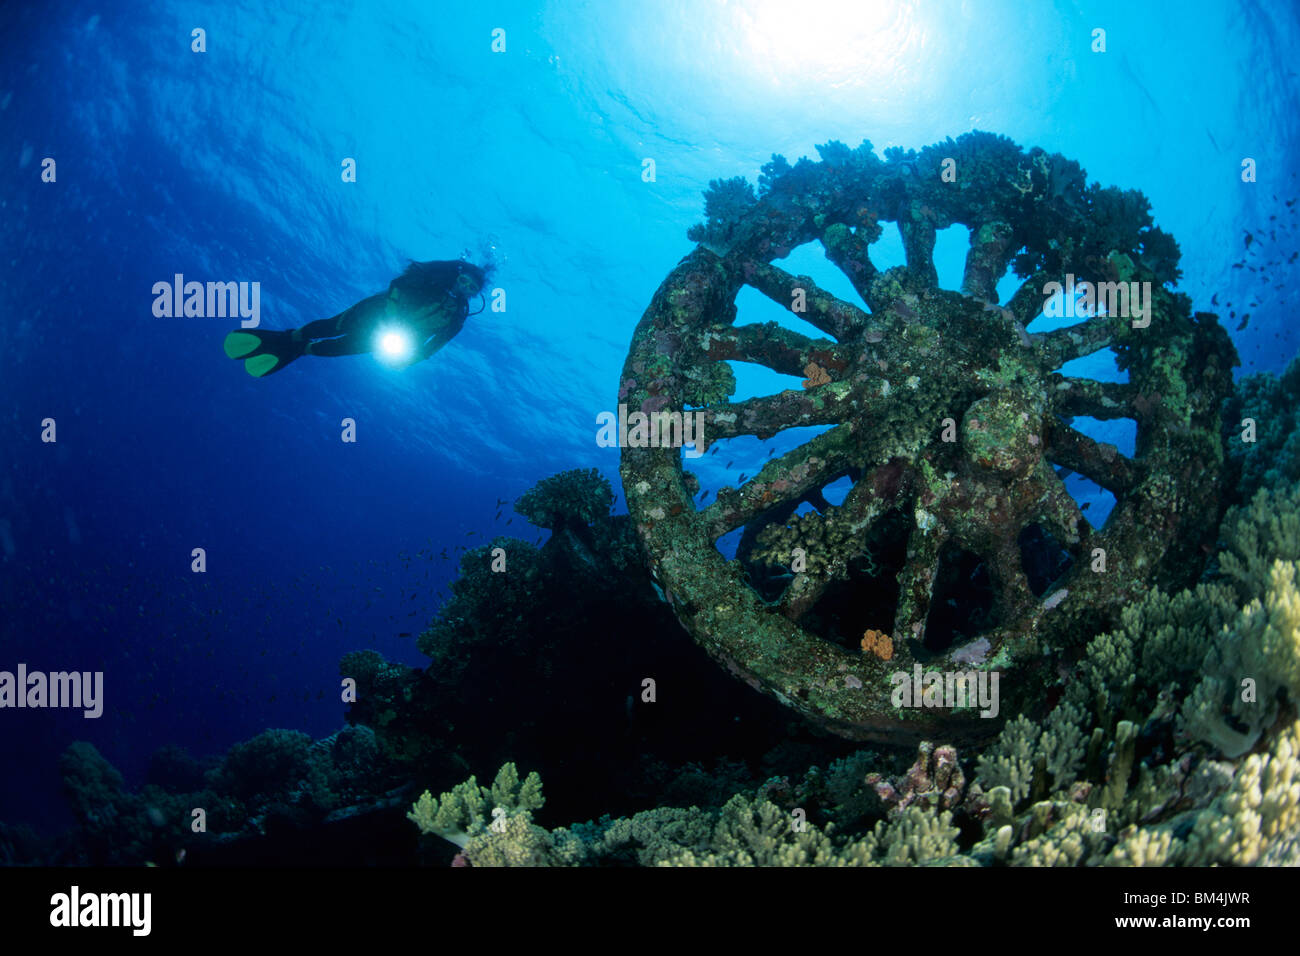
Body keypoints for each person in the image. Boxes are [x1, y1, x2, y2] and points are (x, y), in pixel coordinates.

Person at [223, 258, 489, 377]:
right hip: (374, 312)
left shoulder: (458, 319)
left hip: (394, 338)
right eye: (464, 281)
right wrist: (392, 314)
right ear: (458, 275)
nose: (464, 288)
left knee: (341, 348)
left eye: (471, 289)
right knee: (330, 327)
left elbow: (435, 344)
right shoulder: (432, 281)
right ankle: (289, 337)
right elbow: (398, 283)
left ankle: (299, 350)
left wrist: (410, 360)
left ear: (475, 295)